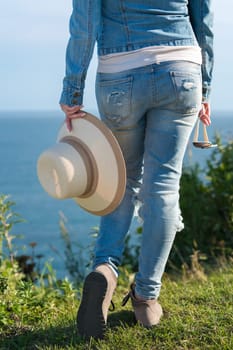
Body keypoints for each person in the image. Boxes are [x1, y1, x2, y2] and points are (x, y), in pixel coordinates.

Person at [60, 0, 214, 340]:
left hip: (120, 71)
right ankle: (146, 298)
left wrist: (73, 88)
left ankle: (105, 269)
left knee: (123, 180)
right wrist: (205, 84)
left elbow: (84, 19)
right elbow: (203, 15)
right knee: (163, 187)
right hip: (181, 65)